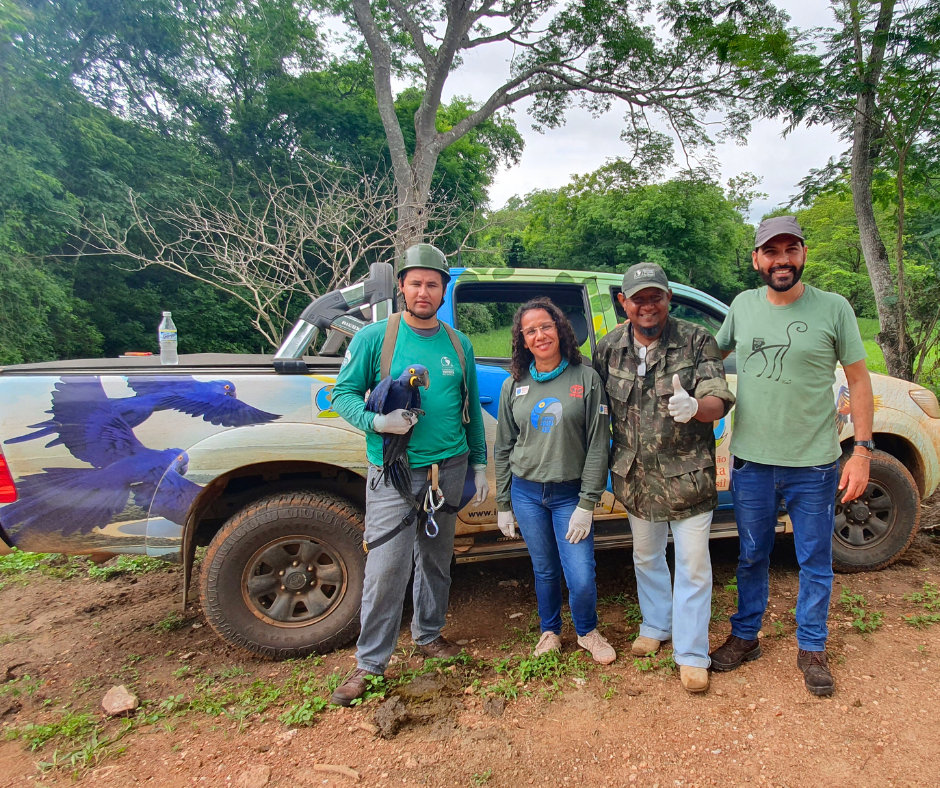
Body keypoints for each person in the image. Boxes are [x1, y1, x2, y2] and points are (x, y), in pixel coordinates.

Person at [711, 215, 874, 697]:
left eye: (791, 249)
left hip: (816, 465)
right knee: (753, 555)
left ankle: (812, 647)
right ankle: (745, 637)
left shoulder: (835, 308)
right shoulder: (742, 306)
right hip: (753, 463)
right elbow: (708, 357)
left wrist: (862, 450)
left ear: (803, 253)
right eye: (771, 251)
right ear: (757, 259)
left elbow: (859, 380)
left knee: (814, 559)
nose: (782, 260)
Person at [329, 243, 488, 706]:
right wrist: (377, 422)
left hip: (449, 468)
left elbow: (470, 410)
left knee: (437, 559)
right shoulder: (375, 338)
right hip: (395, 471)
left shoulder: (460, 344)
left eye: (432, 284)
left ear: (443, 290)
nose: (423, 291)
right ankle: (369, 664)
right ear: (402, 287)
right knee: (387, 567)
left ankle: (429, 635)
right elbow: (342, 394)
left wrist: (479, 463)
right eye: (415, 282)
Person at [594, 262, 735, 693]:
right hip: (635, 478)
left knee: (693, 564)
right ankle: (657, 623)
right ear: (624, 303)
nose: (647, 306)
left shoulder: (696, 340)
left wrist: (696, 407)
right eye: (638, 298)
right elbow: (594, 406)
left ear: (668, 298)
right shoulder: (609, 347)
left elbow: (719, 396)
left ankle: (692, 653)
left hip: (687, 477)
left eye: (655, 296)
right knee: (646, 556)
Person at [494, 297, 616, 664]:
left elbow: (598, 445)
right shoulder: (514, 384)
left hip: (570, 495)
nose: (539, 335)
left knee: (580, 574)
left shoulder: (586, 378)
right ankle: (550, 631)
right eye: (530, 331)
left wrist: (587, 503)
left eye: (545, 326)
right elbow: (503, 447)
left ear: (560, 329)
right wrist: (503, 504)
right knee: (544, 568)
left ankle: (587, 631)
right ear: (522, 340)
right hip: (527, 493)